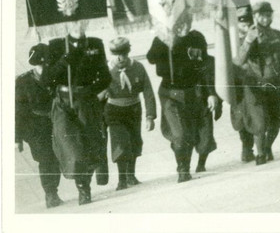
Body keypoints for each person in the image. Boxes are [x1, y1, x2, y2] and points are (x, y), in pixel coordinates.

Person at [41, 22, 111, 205]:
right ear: (67, 24)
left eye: (82, 22)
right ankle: (82, 187)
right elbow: (47, 79)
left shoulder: (95, 44)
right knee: (72, 147)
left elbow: (105, 77)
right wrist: (64, 61)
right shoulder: (56, 46)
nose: (78, 26)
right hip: (64, 102)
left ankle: (85, 187)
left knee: (89, 144)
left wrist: (90, 90)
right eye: (74, 23)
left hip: (86, 101)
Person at [146, 12, 221, 182]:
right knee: (179, 134)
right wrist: (164, 38)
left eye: (186, 21)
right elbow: (151, 58)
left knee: (204, 136)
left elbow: (205, 66)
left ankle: (201, 161)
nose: (183, 25)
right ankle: (183, 169)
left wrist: (210, 93)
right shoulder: (162, 39)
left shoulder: (196, 38)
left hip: (194, 91)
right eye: (178, 22)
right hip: (170, 93)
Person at [232, 3, 280, 164]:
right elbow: (238, 60)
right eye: (261, 15)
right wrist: (249, 41)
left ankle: (266, 146)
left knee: (279, 117)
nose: (265, 18)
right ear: (255, 17)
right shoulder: (245, 38)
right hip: (254, 84)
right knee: (259, 121)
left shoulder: (278, 36)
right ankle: (260, 154)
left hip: (274, 82)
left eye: (268, 14)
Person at [101, 37, 156, 190]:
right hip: (114, 111)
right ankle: (122, 179)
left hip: (133, 109)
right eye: (116, 54)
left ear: (128, 53)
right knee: (120, 143)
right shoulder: (106, 70)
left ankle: (131, 175)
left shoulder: (138, 67)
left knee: (134, 141)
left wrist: (150, 116)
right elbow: (98, 94)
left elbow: (148, 91)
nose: (120, 58)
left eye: (123, 54)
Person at [16, 44, 63, 208]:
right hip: (35, 127)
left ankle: (54, 190)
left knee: (56, 158)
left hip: (55, 122)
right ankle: (50, 193)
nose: (43, 68)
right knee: (45, 159)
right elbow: (18, 110)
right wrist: (18, 137)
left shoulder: (56, 77)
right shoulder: (22, 82)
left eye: (47, 64)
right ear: (34, 64)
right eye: (40, 65)